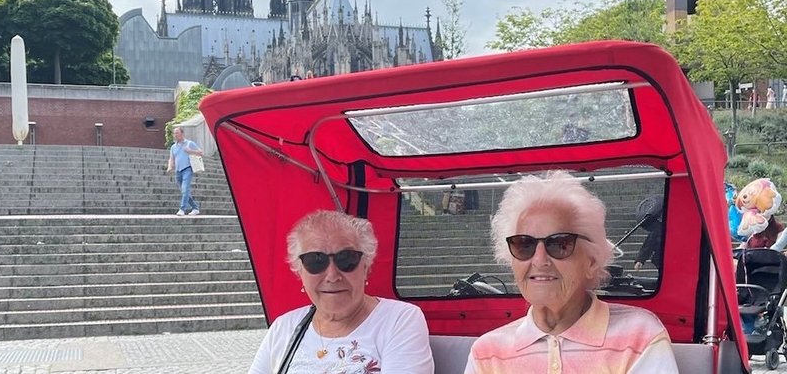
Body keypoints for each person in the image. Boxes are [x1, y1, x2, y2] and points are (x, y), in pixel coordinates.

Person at [465, 172, 678, 373]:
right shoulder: (487, 353)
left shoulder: (639, 336)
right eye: (524, 245)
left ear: (592, 261)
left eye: (560, 244)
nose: (539, 260)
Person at [248, 210, 434, 373]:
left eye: (346, 259)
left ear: (365, 267)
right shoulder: (284, 327)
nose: (332, 275)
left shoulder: (398, 320)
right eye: (316, 261)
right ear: (300, 272)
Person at [166, 126, 202, 216]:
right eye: (174, 133)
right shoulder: (173, 147)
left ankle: (182, 209)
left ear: (182, 134)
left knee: (185, 189)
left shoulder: (189, 143)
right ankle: (195, 208)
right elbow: (171, 158)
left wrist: (190, 151)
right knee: (184, 191)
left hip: (187, 169)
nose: (175, 135)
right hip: (178, 170)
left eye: (177, 133)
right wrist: (170, 166)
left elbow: (200, 152)